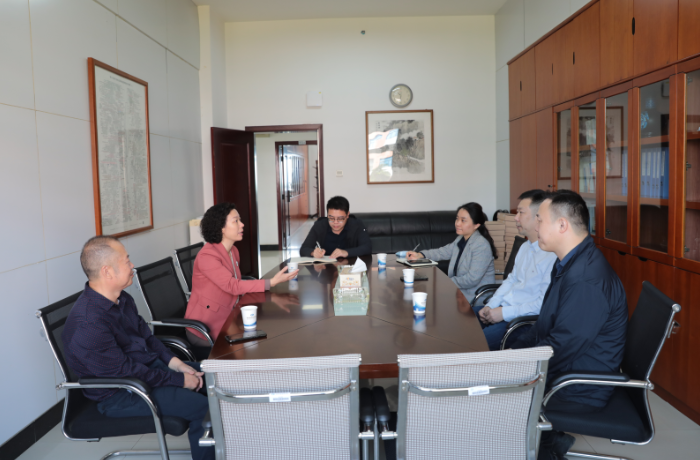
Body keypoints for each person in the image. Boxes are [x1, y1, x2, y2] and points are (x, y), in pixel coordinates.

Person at [62, 236, 214, 460]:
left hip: (147, 371)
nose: (132, 266)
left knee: (218, 377)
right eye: (126, 261)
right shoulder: (89, 323)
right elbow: (127, 372)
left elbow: (148, 338)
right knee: (204, 408)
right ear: (107, 272)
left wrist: (178, 365)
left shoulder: (122, 299)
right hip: (122, 392)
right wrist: (179, 380)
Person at [510, 190, 628, 460]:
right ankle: (550, 442)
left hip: (577, 387)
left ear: (562, 225)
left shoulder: (586, 279)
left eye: (540, 220)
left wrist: (516, 366)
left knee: (495, 397)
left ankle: (544, 448)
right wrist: (514, 352)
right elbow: (544, 324)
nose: (535, 227)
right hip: (565, 371)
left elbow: (562, 346)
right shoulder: (569, 263)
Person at [184, 202, 298, 346]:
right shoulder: (207, 256)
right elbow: (232, 286)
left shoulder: (233, 251)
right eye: (236, 221)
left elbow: (235, 285)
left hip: (229, 315)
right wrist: (271, 282)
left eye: (240, 220)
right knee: (250, 346)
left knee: (261, 339)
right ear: (221, 228)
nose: (242, 225)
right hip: (206, 325)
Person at [475, 190, 558, 350]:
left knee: (473, 342)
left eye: (521, 212)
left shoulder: (551, 256)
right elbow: (511, 280)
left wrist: (503, 313)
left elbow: (542, 305)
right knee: (462, 322)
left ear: (538, 217)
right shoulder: (525, 247)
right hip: (504, 309)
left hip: (522, 321)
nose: (516, 218)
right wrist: (491, 306)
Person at [407, 202, 496, 300]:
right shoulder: (461, 239)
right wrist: (420, 255)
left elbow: (471, 279)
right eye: (457, 219)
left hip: (474, 297)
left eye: (463, 220)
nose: (457, 223)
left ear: (476, 225)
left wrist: (445, 282)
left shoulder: (481, 245)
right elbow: (443, 252)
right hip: (459, 292)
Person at [300, 196, 372, 258]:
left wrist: (346, 252)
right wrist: (313, 252)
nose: (335, 222)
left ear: (347, 215)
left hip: (351, 266)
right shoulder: (320, 225)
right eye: (331, 218)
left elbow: (367, 247)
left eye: (340, 218)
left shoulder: (356, 224)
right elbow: (303, 249)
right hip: (326, 267)